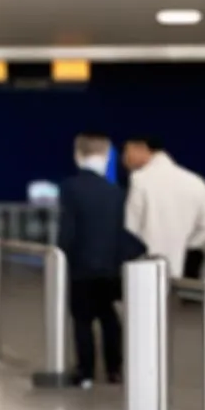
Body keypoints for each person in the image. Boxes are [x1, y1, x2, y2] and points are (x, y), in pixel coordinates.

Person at [57, 132, 140, 388]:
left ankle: (86, 372)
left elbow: (67, 230)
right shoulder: (116, 191)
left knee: (82, 321)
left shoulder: (70, 187)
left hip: (81, 266)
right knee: (109, 318)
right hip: (110, 267)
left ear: (78, 155)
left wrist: (61, 255)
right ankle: (114, 370)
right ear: (106, 157)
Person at [122, 136, 205, 279]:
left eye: (127, 151)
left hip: (147, 270)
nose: (124, 158)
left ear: (141, 148)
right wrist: (185, 246)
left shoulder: (139, 180)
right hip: (184, 271)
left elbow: (130, 228)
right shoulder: (196, 181)